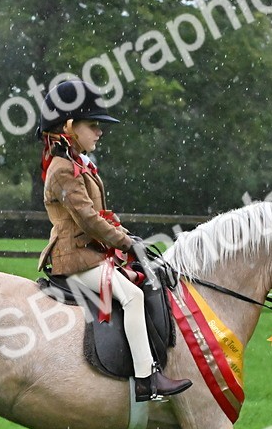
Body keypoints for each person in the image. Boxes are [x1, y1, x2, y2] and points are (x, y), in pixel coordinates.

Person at [35, 79, 191, 403]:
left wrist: (127, 237)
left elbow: (100, 214)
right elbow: (88, 221)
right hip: (75, 257)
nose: (99, 131)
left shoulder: (78, 165)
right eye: (92, 125)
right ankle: (147, 380)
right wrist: (124, 243)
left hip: (91, 253)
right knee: (132, 296)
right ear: (68, 126)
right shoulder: (63, 170)